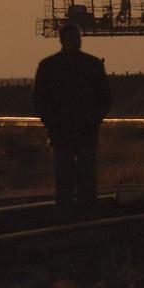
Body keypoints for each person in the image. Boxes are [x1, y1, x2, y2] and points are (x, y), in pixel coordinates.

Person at [33, 23, 111, 212]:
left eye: (78, 38)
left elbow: (105, 97)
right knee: (64, 177)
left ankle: (86, 213)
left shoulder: (91, 65)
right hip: (63, 132)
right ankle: (66, 213)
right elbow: (39, 99)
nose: (76, 42)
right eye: (73, 39)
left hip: (84, 130)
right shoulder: (50, 67)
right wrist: (51, 122)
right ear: (63, 40)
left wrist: (94, 120)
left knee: (86, 175)